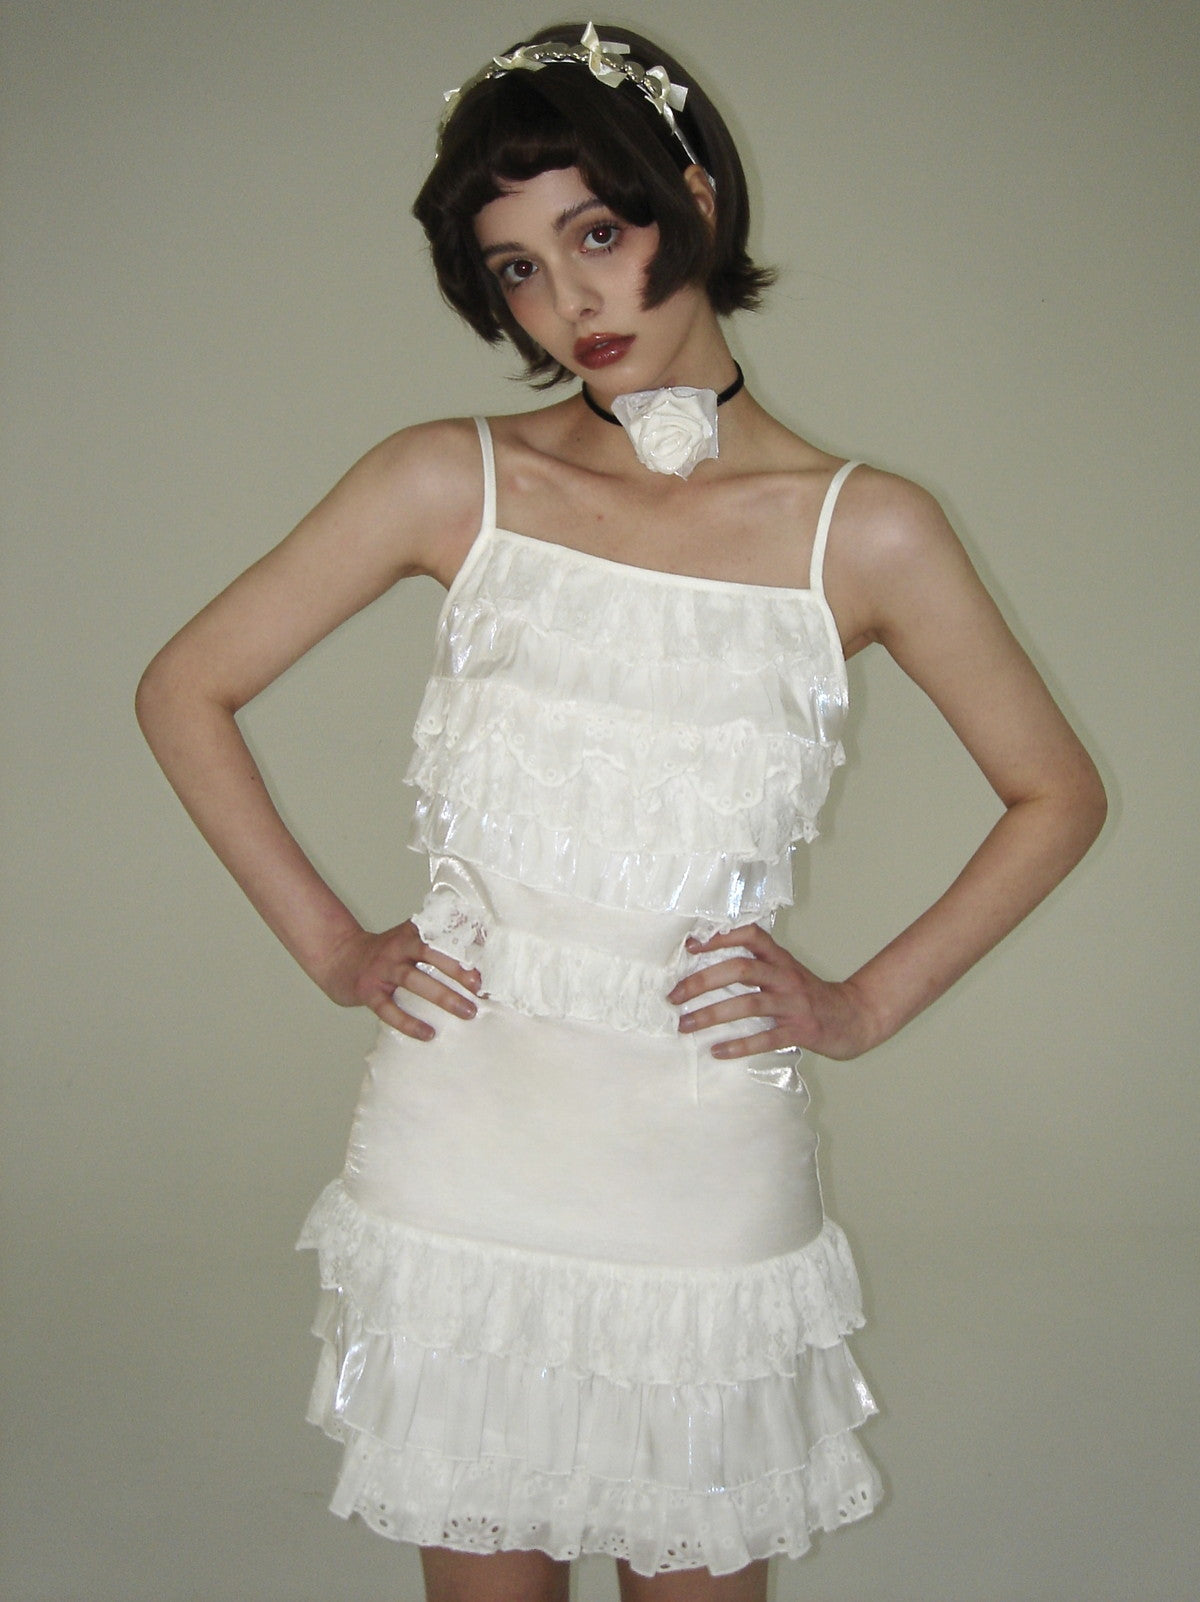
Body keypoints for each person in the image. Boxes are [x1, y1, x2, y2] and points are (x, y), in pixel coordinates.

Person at [135, 20, 1106, 1602]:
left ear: (695, 204)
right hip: (466, 1135)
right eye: (517, 269)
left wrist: (860, 1004)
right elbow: (184, 687)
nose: (568, 302)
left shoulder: (867, 531)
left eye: (597, 234)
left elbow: (1055, 791)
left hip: (698, 1154)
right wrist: (333, 946)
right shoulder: (447, 480)